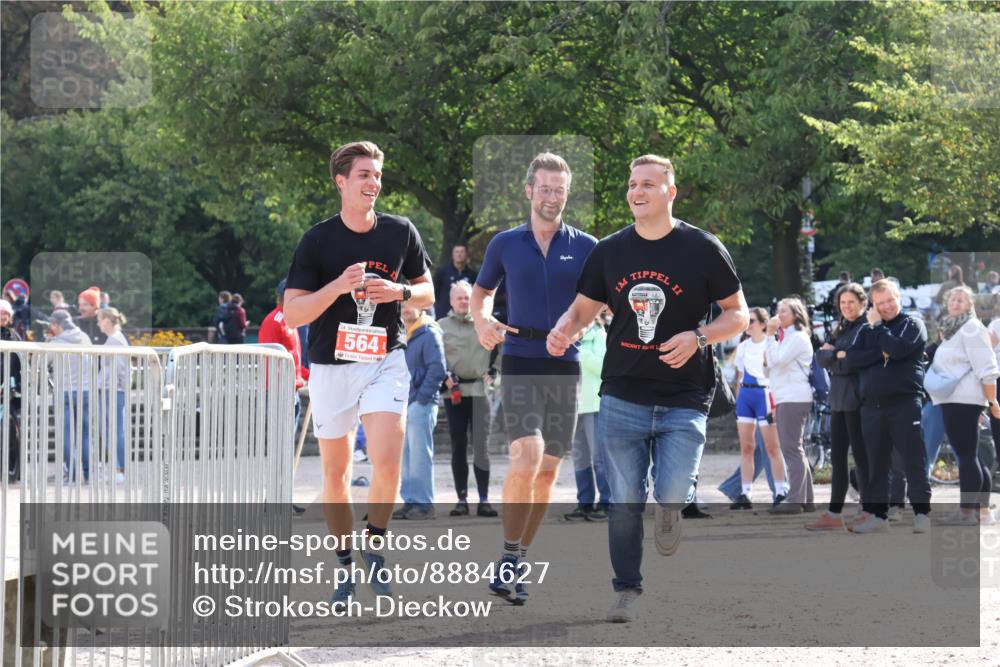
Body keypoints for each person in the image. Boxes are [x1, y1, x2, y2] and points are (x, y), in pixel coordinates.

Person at [547, 154, 748, 623]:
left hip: (684, 394)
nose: (637, 192)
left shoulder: (702, 248)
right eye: (632, 184)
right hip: (622, 392)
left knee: (673, 492)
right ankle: (626, 589)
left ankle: (672, 510)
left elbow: (737, 313)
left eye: (649, 185)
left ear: (670, 192)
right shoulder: (610, 251)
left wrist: (697, 335)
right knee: (622, 502)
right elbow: (580, 312)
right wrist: (564, 331)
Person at [283, 140, 433, 608]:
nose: (374, 182)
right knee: (337, 474)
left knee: (388, 461)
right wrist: (336, 286)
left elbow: (428, 292)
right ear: (341, 181)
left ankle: (374, 542)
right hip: (331, 368)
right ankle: (344, 562)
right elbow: (293, 313)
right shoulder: (318, 240)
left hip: (385, 359)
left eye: (378, 174)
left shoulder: (400, 232)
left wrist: (399, 291)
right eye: (364, 174)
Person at [471, 152, 597, 606]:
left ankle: (520, 556)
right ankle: (507, 555)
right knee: (527, 456)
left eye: (559, 190)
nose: (551, 197)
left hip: (565, 362)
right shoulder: (504, 244)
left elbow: (595, 303)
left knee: (547, 474)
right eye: (544, 188)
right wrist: (481, 321)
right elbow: (481, 293)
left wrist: (575, 331)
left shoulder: (586, 246)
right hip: (520, 356)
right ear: (528, 191)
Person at [842, 279, 932, 533]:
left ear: (898, 298)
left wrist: (881, 331)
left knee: (913, 459)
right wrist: (880, 352)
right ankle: (878, 517)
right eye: (880, 303)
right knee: (876, 464)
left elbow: (899, 349)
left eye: (890, 300)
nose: (886, 306)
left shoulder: (912, 324)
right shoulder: (866, 329)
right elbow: (851, 359)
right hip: (871, 406)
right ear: (873, 304)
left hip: (904, 403)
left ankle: (922, 513)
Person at [925, 286, 1000, 525]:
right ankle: (981, 512)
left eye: (961, 300)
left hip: (964, 399)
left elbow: (987, 369)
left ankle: (967, 512)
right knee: (972, 456)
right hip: (955, 399)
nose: (956, 303)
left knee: (967, 456)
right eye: (953, 299)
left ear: (970, 304)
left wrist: (992, 401)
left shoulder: (971, 328)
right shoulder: (953, 328)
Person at [808, 283, 870, 531]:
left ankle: (868, 509)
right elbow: (821, 357)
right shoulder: (842, 328)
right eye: (843, 303)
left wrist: (835, 356)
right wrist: (836, 356)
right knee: (838, 458)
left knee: (862, 458)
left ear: (862, 303)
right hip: (838, 400)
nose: (847, 306)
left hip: (856, 400)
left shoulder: (865, 329)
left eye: (851, 302)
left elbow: (852, 363)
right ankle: (834, 514)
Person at [437, 280, 496, 517]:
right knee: (458, 446)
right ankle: (461, 499)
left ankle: (484, 499)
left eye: (466, 298)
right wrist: (443, 376)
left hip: (481, 392)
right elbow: (435, 356)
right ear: (451, 301)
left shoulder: (487, 324)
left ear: (473, 300)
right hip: (456, 394)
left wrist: (496, 372)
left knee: (482, 448)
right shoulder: (440, 326)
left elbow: (504, 350)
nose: (463, 301)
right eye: (458, 298)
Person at [727, 307, 788, 510]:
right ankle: (745, 493)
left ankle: (780, 491)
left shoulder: (771, 344)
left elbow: (778, 373)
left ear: (763, 324)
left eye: (751, 321)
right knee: (747, 447)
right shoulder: (743, 346)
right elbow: (739, 377)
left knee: (772, 447)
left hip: (765, 394)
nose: (748, 325)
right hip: (746, 395)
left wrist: (777, 403)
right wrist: (737, 401)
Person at [393, 304, 447, 520]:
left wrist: (421, 399)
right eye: (402, 305)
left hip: (421, 404)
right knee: (406, 456)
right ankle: (410, 502)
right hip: (405, 403)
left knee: (420, 456)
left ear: (421, 306)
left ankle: (424, 504)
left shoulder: (429, 332)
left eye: (411, 303)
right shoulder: (402, 333)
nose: (406, 309)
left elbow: (438, 369)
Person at [763, 297, 815, 514]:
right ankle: (807, 500)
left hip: (793, 398)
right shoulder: (785, 338)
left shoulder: (798, 338)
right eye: (778, 310)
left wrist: (768, 336)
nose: (779, 314)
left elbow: (776, 362)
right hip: (787, 396)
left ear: (796, 314)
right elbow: (768, 369)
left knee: (791, 449)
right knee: (796, 449)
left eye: (784, 311)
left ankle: (794, 500)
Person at [565, 312, 611, 521]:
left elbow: (604, 367)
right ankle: (584, 503)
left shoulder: (599, 335)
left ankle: (606, 503)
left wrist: (579, 351)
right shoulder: (565, 338)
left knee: (599, 459)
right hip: (572, 407)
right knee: (579, 458)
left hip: (595, 405)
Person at [258, 278, 308, 443]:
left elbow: (293, 356)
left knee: (286, 441)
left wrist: (306, 375)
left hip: (290, 386)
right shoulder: (274, 321)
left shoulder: (289, 320)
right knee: (281, 441)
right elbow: (270, 358)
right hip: (279, 388)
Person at [47, 310, 92, 482]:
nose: (51, 328)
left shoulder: (56, 342)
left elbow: (43, 362)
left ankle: (71, 474)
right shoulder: (85, 338)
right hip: (85, 390)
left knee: (66, 434)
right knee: (86, 434)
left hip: (64, 391)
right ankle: (88, 474)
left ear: (58, 325)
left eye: (52, 325)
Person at [97, 308, 130, 482]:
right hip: (112, 389)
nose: (97, 324)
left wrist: (121, 388)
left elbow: (122, 369)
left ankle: (119, 470)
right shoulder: (115, 339)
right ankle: (118, 469)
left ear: (108, 321)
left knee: (115, 431)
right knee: (113, 431)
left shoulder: (115, 340)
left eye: (99, 320)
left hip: (113, 390)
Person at [1, 299, 23, 481]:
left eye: (6, 314)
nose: (3, 317)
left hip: (10, 390)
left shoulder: (14, 335)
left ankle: (13, 471)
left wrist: (16, 386)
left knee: (12, 431)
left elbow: (20, 363)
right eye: (1, 313)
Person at [433, 244, 477, 320]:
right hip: (444, 315)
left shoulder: (472, 275)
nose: (459, 254)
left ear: (467, 255)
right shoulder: (442, 273)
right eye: (457, 252)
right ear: (452, 255)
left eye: (462, 252)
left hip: (465, 317)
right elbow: (434, 293)